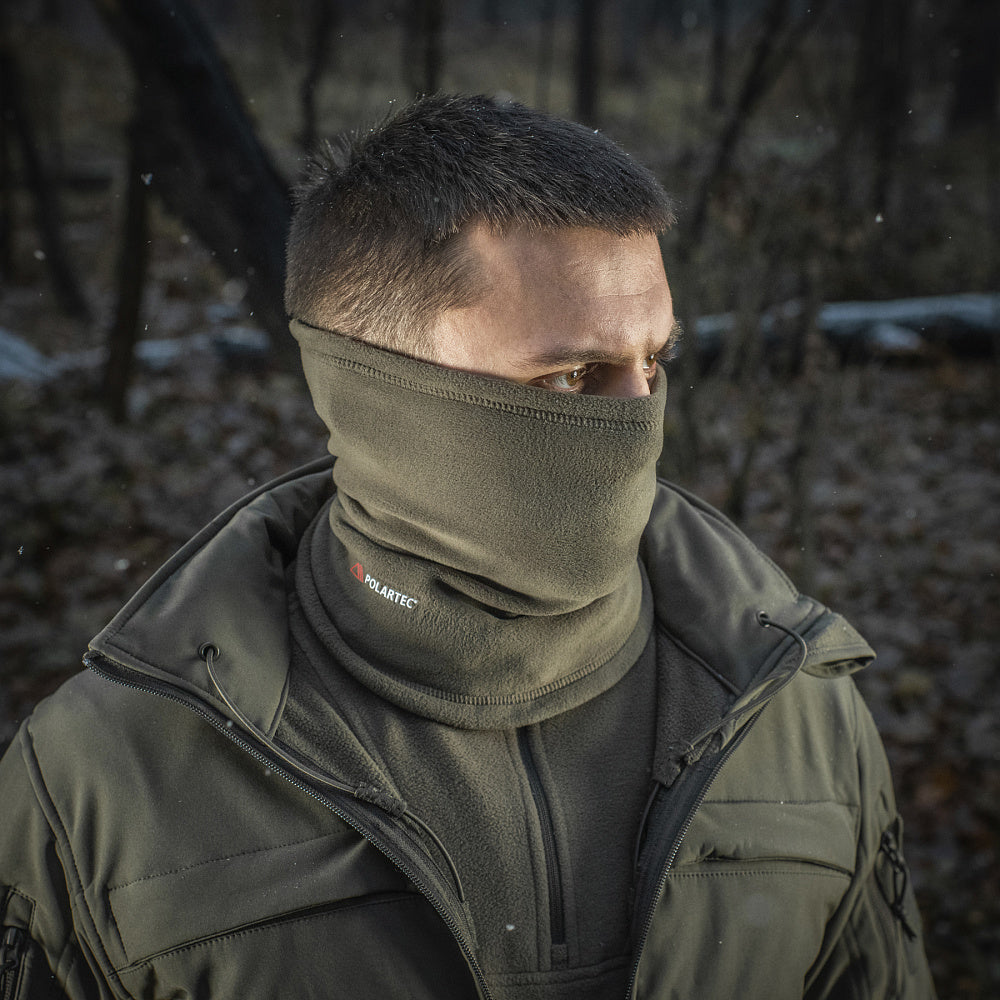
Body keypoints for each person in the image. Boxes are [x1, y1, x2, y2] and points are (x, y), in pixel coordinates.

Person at [0, 94, 935, 1000]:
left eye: (654, 361)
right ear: (375, 390)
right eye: (571, 376)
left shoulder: (793, 711)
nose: (639, 419)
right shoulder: (105, 781)